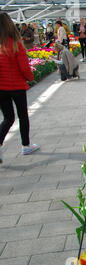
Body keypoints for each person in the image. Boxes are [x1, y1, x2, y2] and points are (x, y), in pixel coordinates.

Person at [0, 13, 39, 164]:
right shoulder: (16, 44)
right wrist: (30, 77)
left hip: (1, 89)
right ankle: (26, 145)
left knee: (8, 118)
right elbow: (24, 68)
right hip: (16, 86)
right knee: (22, 116)